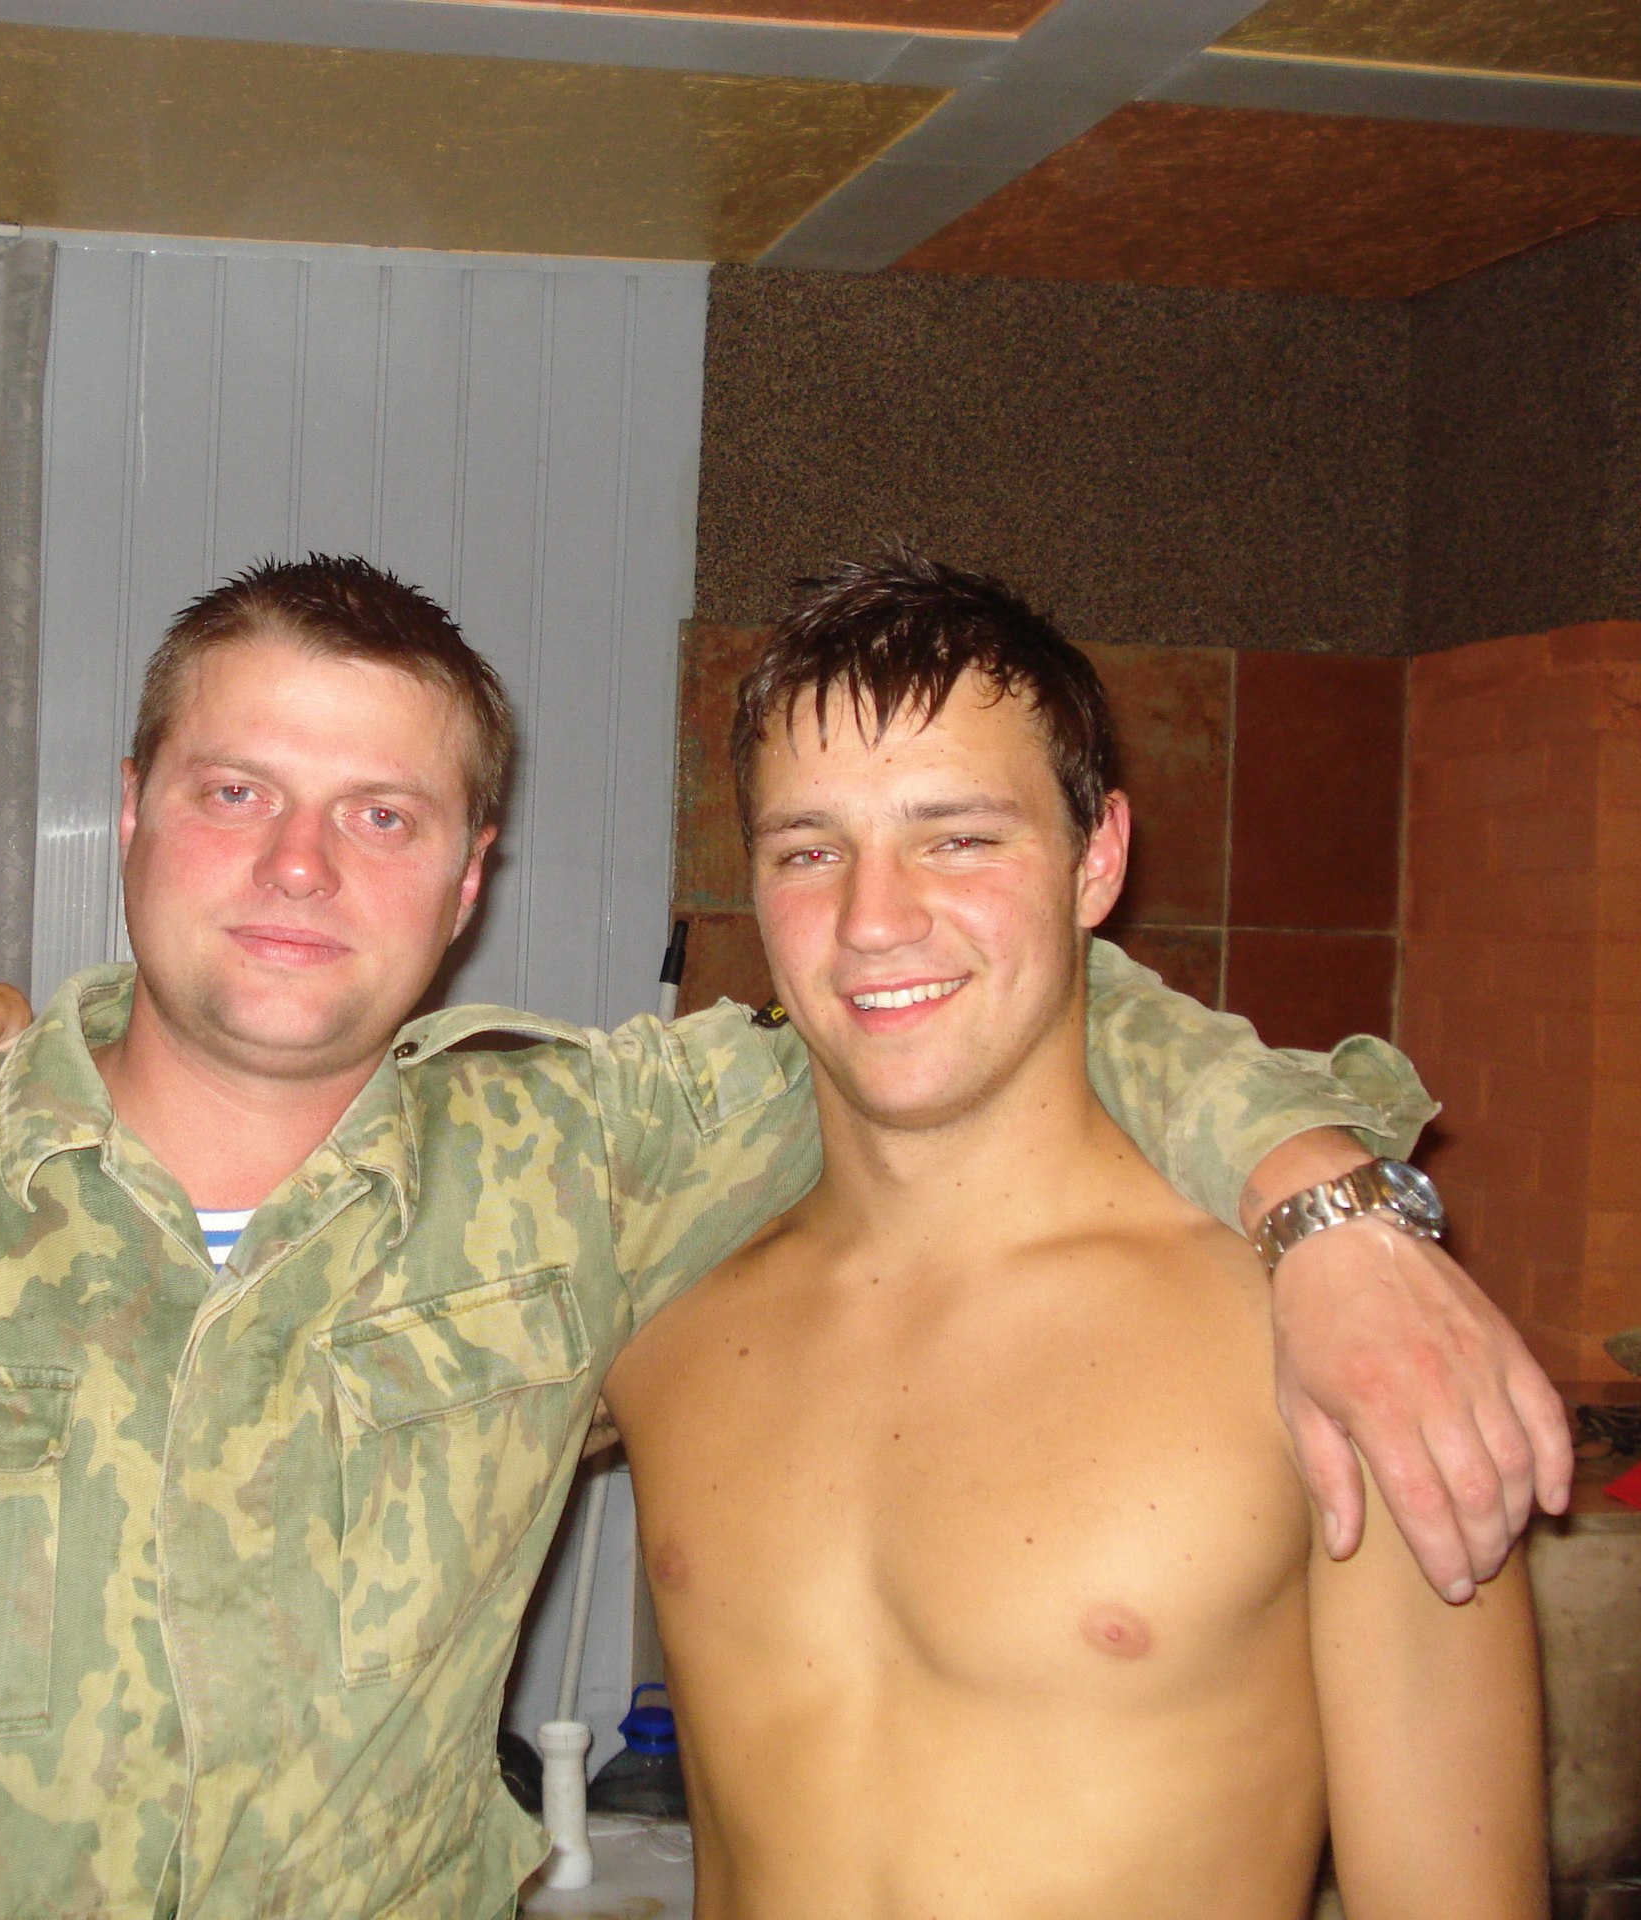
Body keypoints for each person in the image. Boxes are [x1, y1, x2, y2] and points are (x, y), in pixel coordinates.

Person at [0, 556, 1565, 1920]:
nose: (300, 867)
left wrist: (1327, 1203)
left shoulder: (578, 1175)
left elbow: (971, 1014)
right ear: (133, 810)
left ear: (469, 879)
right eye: (236, 792)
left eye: (381, 814)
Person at [602, 554, 1544, 1919]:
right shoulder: (666, 1322)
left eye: (959, 838)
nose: (874, 921)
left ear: (1095, 858)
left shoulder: (1336, 1345)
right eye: (810, 850)